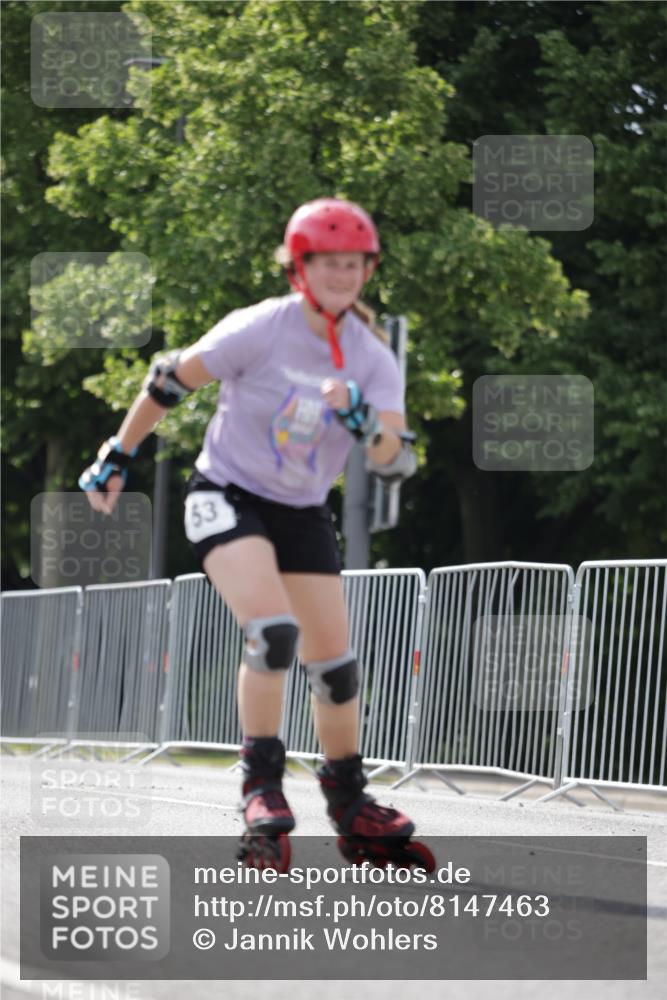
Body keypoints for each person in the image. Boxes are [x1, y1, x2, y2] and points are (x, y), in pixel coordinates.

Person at [80, 197, 433, 872]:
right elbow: (168, 380)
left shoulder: (370, 354)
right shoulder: (262, 327)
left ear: (368, 268)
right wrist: (118, 454)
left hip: (300, 511)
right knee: (272, 632)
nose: (341, 274)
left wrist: (364, 423)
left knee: (336, 667)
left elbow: (399, 459)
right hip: (227, 495)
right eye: (328, 262)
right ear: (300, 267)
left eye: (353, 264)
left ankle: (349, 802)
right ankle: (261, 787)